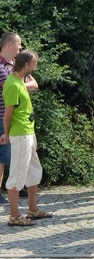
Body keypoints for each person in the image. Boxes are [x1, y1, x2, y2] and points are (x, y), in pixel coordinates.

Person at [2, 50, 53, 226]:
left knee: (34, 171)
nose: (36, 67)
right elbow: (8, 114)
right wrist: (6, 134)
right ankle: (15, 216)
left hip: (28, 132)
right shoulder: (13, 84)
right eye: (34, 63)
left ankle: (32, 209)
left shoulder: (19, 80)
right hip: (20, 134)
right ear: (26, 65)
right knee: (16, 176)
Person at [0, 32, 36, 205]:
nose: (20, 47)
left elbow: (34, 84)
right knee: (3, 158)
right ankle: (10, 206)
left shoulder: (15, 66)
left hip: (19, 121)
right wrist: (19, 84)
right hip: (5, 117)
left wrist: (19, 83)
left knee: (13, 159)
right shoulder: (2, 68)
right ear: (9, 45)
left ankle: (29, 205)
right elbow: (8, 87)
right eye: (18, 44)